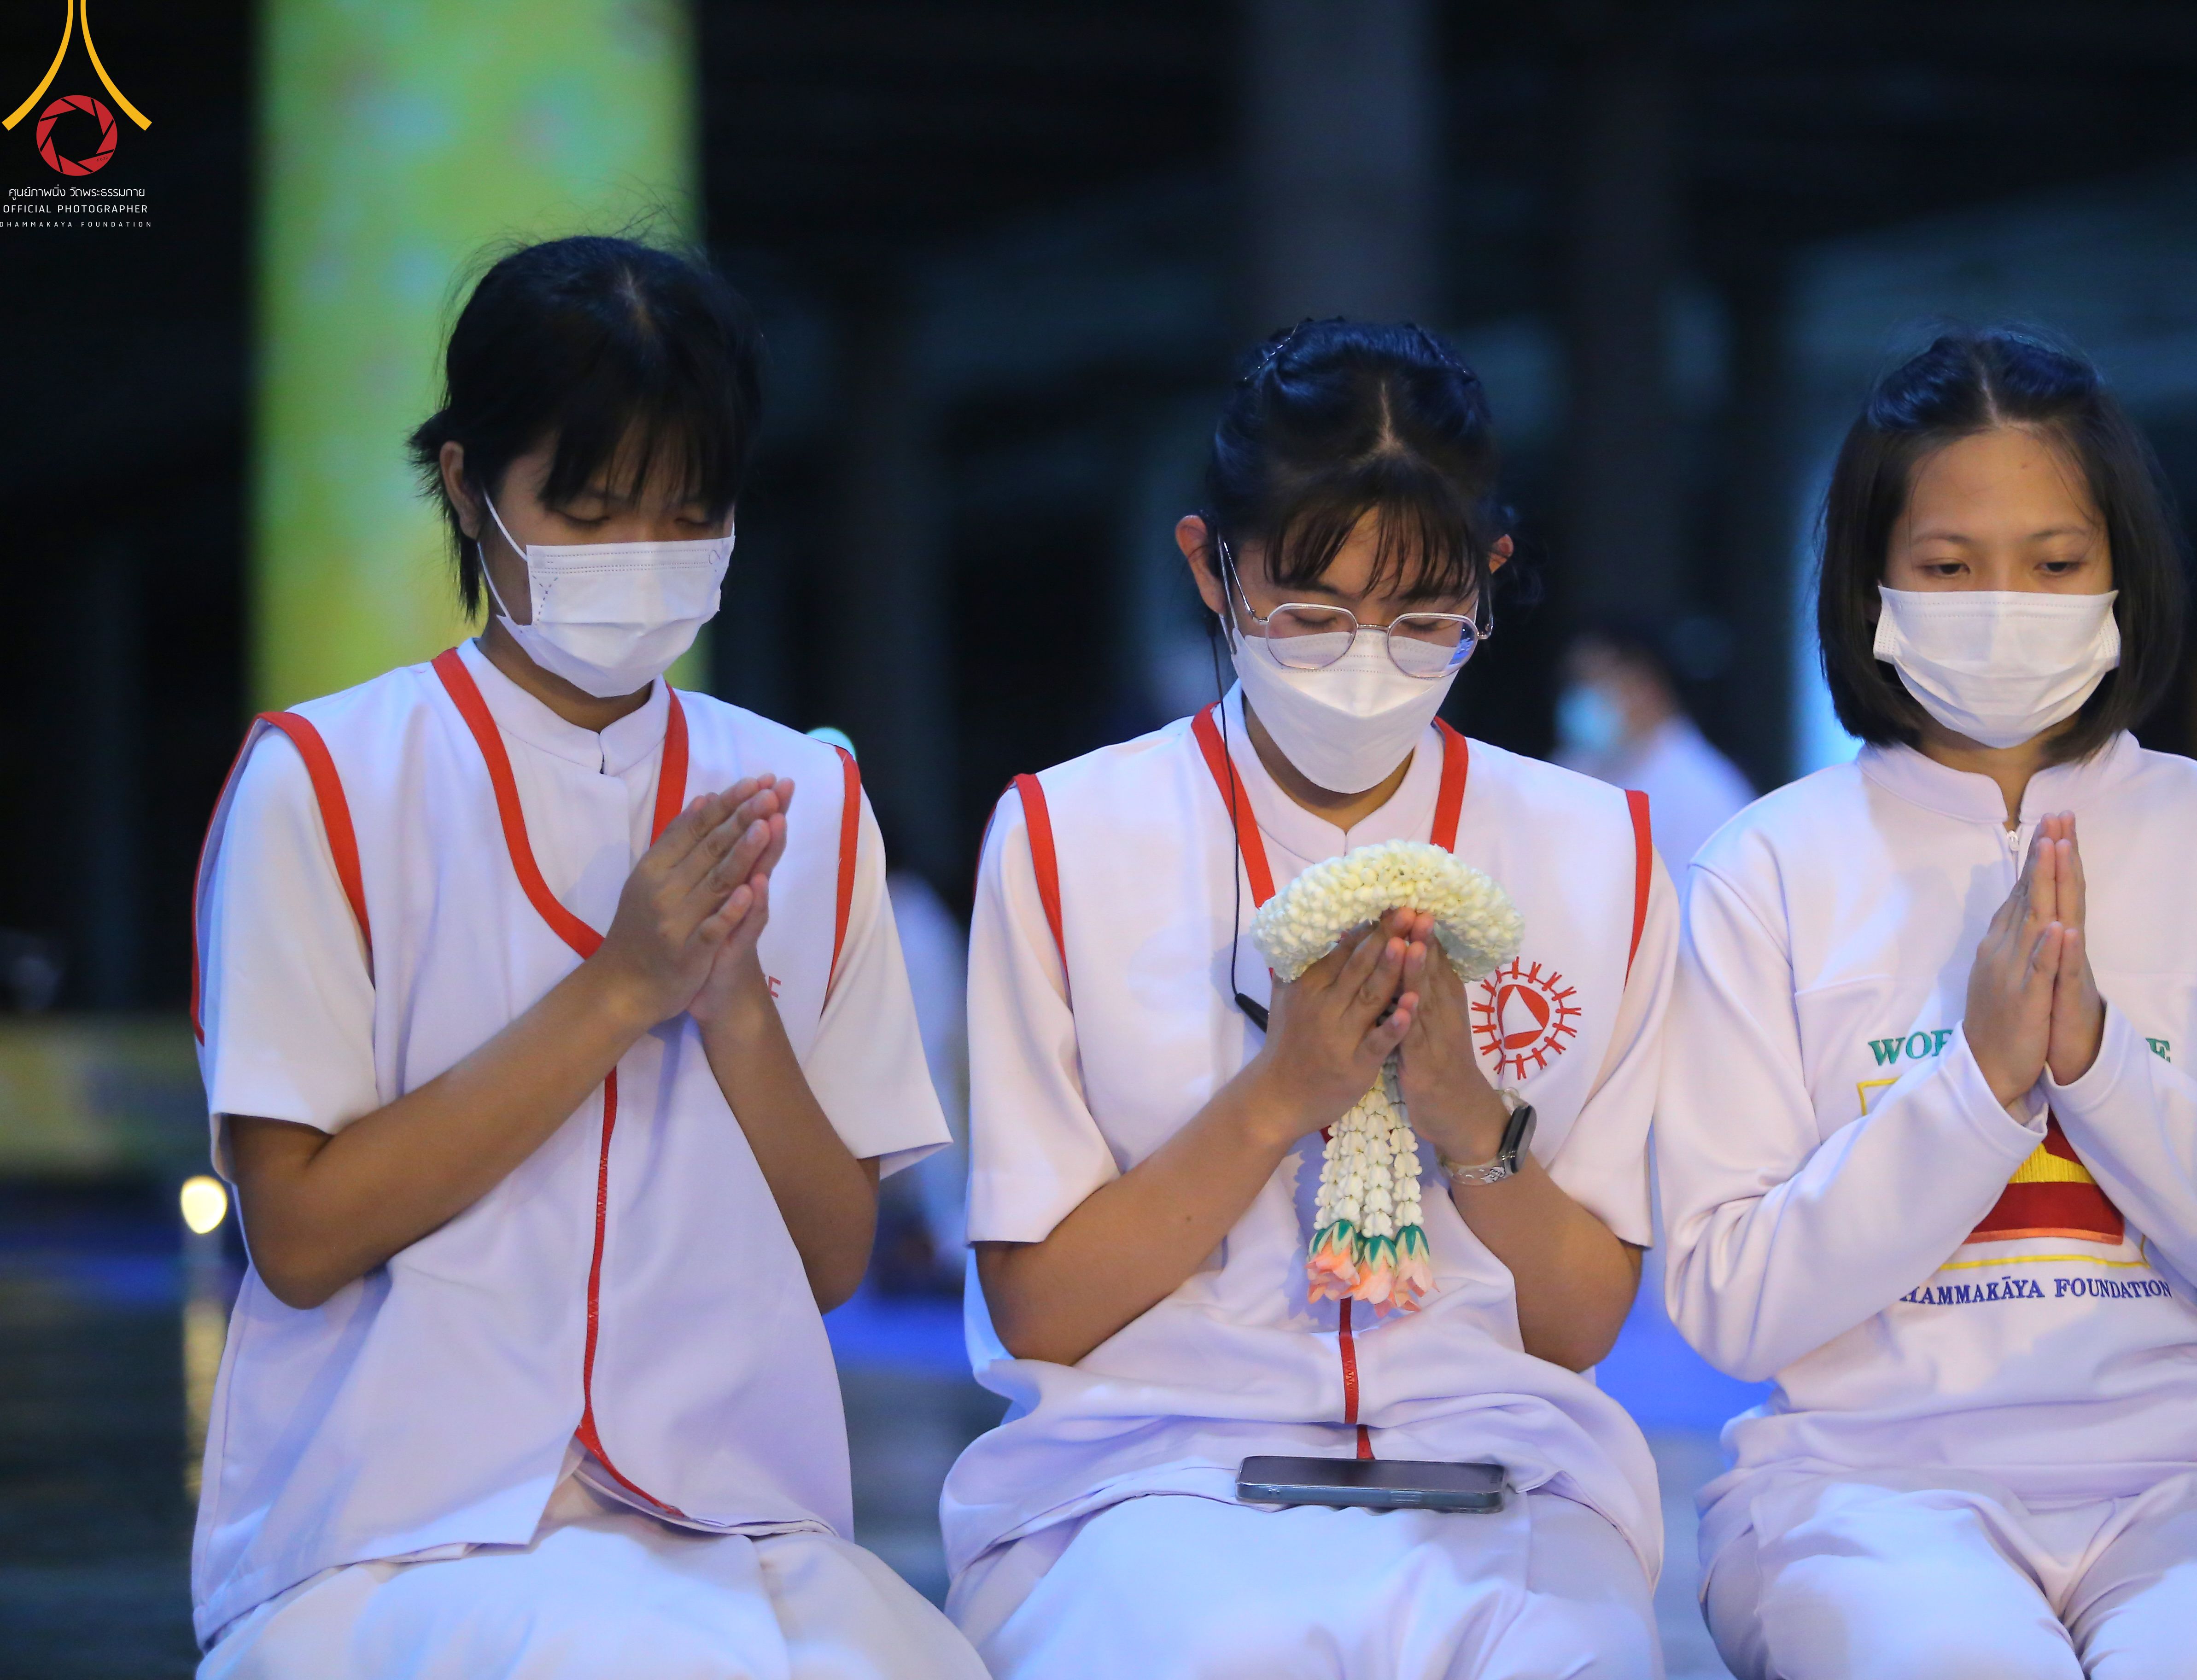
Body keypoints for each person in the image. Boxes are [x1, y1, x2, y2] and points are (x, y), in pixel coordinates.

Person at [188, 236, 986, 1679]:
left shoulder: (805, 798)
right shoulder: (327, 778)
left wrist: (736, 1010)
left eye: (688, 514)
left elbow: (829, 1259)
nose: (641, 558)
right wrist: (621, 990)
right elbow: (297, 1238)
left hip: (738, 1517)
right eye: (590, 510)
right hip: (398, 1528)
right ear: (465, 486)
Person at [1656, 329, 2197, 1680]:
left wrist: (2102, 1066)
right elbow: (1729, 1305)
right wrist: (1977, 1084)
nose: (2004, 604)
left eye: (2055, 564)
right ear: (1872, 583)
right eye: (1949, 567)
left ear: (2123, 573)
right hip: (1866, 1487)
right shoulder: (1768, 866)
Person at [941, 319, 1675, 1678]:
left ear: (1490, 576)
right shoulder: (1069, 837)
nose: (1364, 660)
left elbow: (1578, 1325)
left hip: (1499, 1474)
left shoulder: (1597, 855)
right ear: (1208, 566)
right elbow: (1040, 1306)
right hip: (1150, 1473)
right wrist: (1280, 1096)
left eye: (1423, 619)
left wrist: (1469, 1117)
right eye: (1309, 613)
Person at [1554, 623, 1754, 875]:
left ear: (1646, 685)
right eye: (1577, 683)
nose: (1583, 700)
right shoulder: (1577, 765)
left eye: (1596, 682)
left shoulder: (1698, 794)